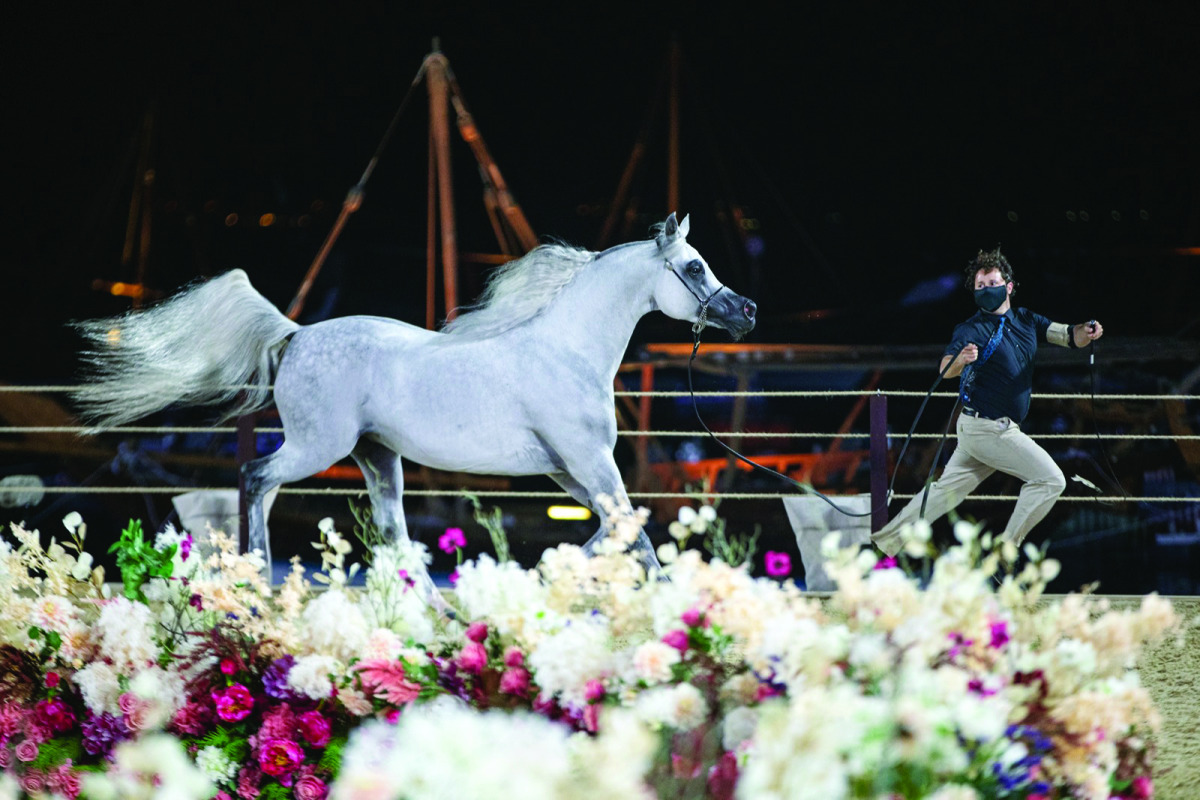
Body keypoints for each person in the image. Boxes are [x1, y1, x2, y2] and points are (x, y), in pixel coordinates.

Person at [871, 247, 1104, 557]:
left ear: (1008, 286)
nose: (986, 290)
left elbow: (1069, 336)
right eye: (980, 286)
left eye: (992, 283)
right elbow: (945, 369)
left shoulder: (1026, 319)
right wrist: (961, 360)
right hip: (990, 430)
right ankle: (1004, 554)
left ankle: (883, 544)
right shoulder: (972, 328)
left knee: (943, 494)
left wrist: (1087, 331)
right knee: (1050, 480)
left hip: (980, 430)